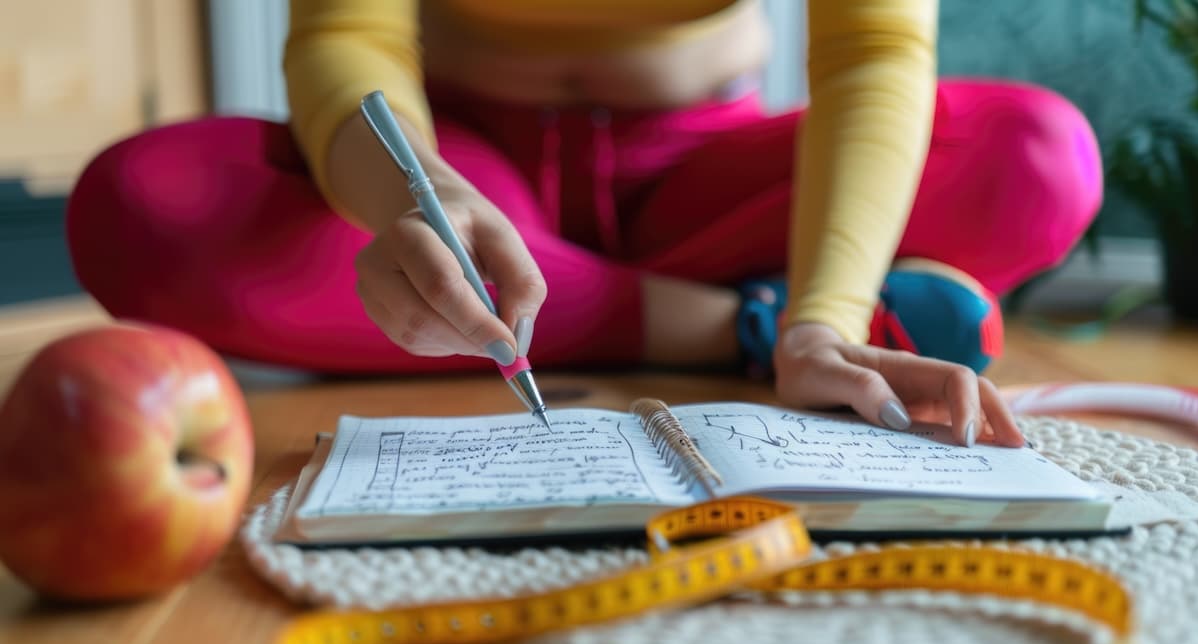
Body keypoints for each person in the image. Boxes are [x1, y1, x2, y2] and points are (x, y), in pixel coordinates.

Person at [65, 0, 1103, 448]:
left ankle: (751, 315)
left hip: (710, 180)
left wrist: (824, 313)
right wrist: (415, 192)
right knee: (140, 208)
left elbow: (874, 54)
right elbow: (347, 33)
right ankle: (731, 326)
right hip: (465, 169)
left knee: (1040, 159)